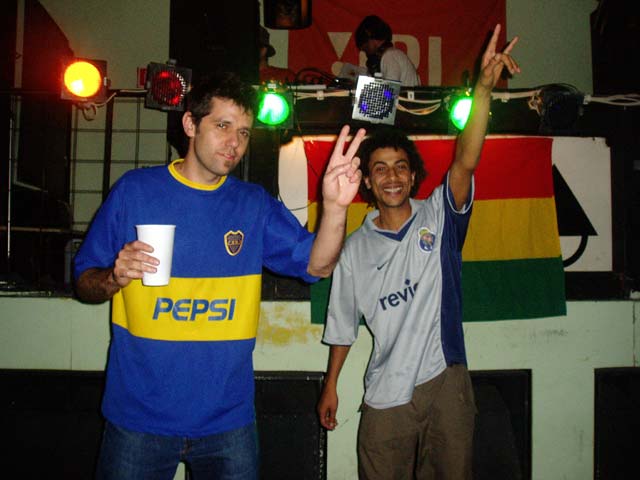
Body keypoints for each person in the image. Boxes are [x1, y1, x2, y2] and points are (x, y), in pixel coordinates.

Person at [73, 71, 366, 479]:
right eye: (223, 126)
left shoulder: (253, 204)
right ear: (190, 124)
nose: (235, 143)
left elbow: (318, 265)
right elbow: (83, 282)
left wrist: (334, 208)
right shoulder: (135, 191)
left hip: (227, 421)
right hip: (138, 417)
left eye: (243, 132)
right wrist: (113, 277)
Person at [317, 24, 520, 479]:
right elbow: (343, 326)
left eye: (400, 168)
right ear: (367, 181)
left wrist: (483, 89)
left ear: (413, 177)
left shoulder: (438, 216)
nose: (391, 177)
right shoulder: (353, 250)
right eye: (380, 169)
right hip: (385, 391)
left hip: (445, 380)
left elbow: (466, 160)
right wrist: (331, 385)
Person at [355, 15, 421, 86]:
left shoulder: (389, 56)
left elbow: (390, 90)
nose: (366, 53)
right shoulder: (392, 55)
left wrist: (365, 89)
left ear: (373, 40)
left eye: (366, 48)